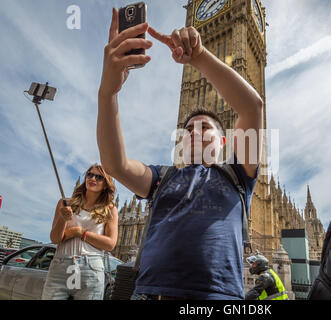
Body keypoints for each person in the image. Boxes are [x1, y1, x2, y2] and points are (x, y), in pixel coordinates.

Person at [96, 9, 263, 300]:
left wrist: (199, 56)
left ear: (223, 141)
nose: (195, 131)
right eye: (188, 129)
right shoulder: (163, 177)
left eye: (204, 127)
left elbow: (252, 107)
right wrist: (108, 93)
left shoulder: (238, 175)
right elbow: (115, 164)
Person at [42, 164, 118, 300]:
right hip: (61, 264)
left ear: (106, 184)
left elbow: (110, 244)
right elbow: (55, 239)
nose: (93, 178)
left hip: (91, 268)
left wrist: (80, 232)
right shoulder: (65, 203)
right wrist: (63, 219)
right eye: (90, 174)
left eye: (99, 177)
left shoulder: (110, 209)